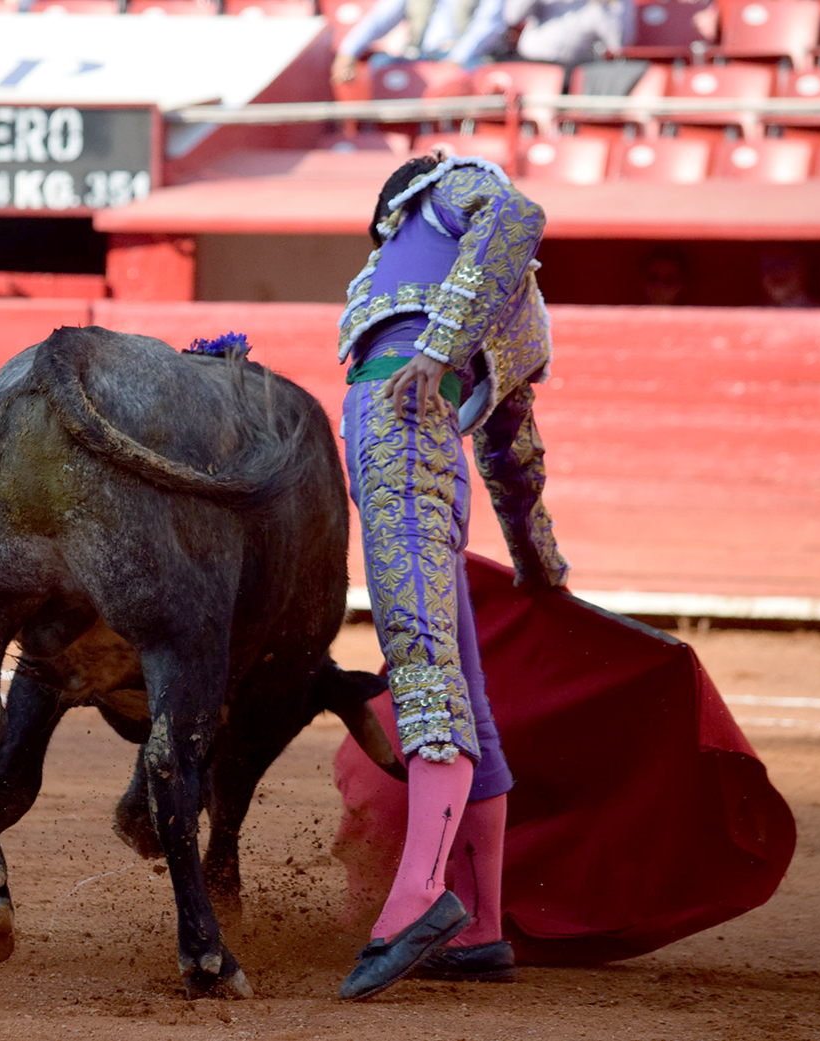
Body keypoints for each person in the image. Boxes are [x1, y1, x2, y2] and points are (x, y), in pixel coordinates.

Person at [335, 152, 568, 1001]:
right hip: (423, 449)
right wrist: (543, 568)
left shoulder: (448, 192)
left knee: (423, 667)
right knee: (460, 684)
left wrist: (434, 345)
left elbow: (518, 216)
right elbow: (513, 459)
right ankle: (480, 926)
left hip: (398, 431)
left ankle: (418, 899)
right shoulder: (518, 314)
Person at [331, 0, 508, 86]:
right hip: (419, 55)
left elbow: (489, 25)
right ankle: (385, 136)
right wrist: (347, 52)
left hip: (467, 59)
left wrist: (456, 60)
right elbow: (379, 20)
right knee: (379, 65)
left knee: (474, 74)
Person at [501, 0, 637, 66]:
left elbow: (620, 45)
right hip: (527, 61)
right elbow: (512, 17)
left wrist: (603, 5)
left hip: (571, 69)